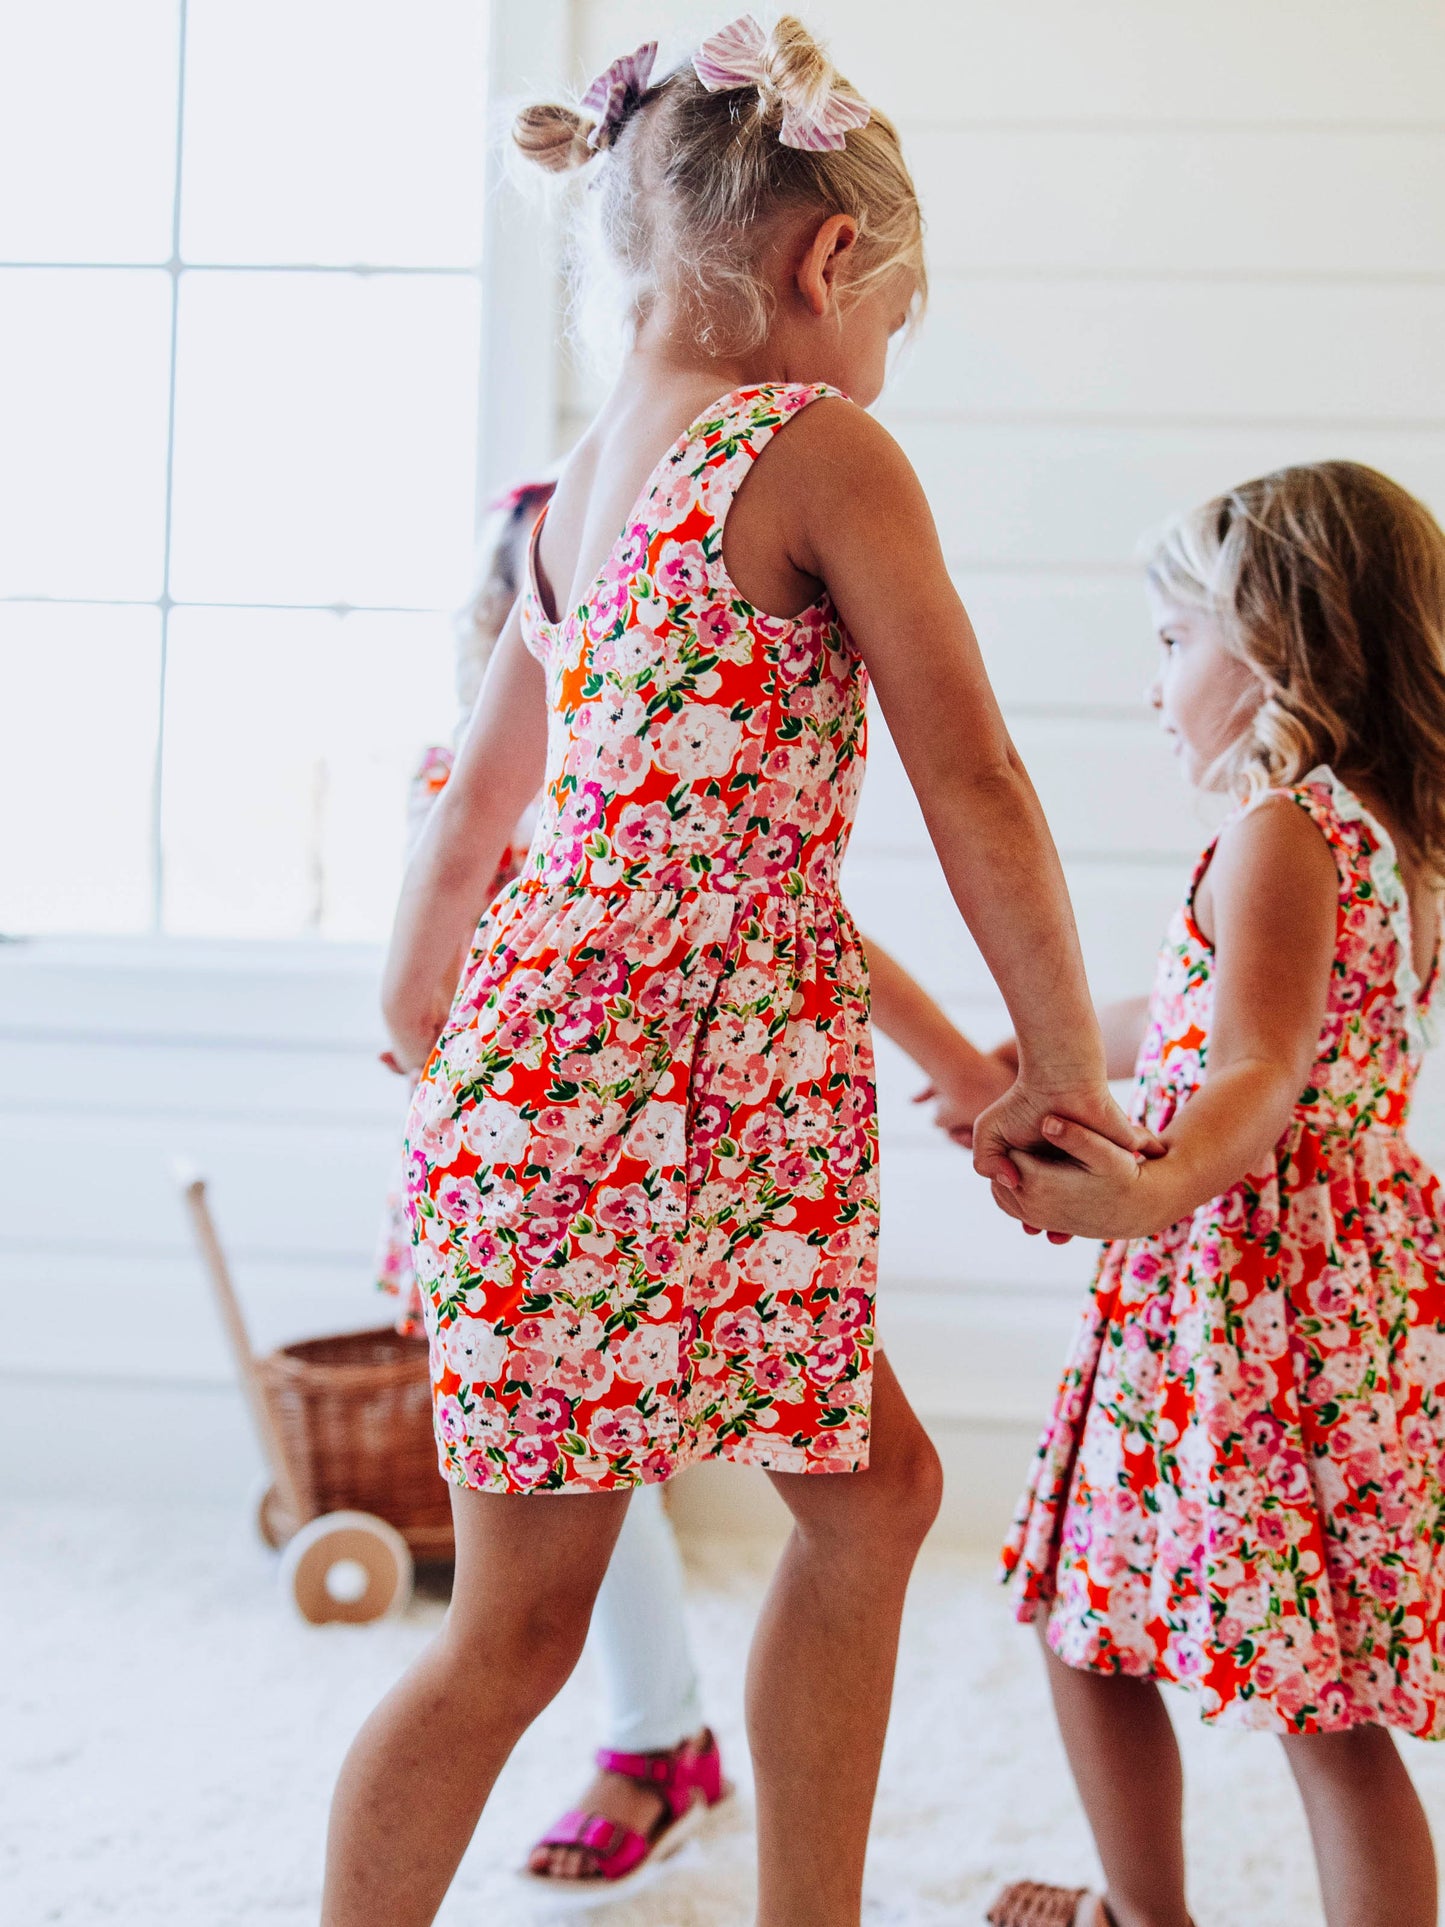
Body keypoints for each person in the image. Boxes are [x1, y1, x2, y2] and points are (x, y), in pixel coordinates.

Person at [323, 18, 1147, 1925]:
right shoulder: (814, 448)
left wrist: (428, 1023)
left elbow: (479, 838)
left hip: (590, 1105)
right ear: (825, 264)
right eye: (894, 319)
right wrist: (1060, 1071)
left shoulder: (562, 512)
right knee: (518, 1636)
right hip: (681, 1128)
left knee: (863, 1502)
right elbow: (980, 783)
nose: (885, 369)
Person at [374, 480, 1014, 1895]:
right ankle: (656, 1738)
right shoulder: (545, 778)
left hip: (689, 1166)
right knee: (520, 1618)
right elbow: (424, 990)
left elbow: (800, 913)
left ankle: (672, 1753)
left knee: (868, 1492)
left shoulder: (679, 760)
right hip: (577, 1168)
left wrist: (973, 1067)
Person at [986, 463, 1445, 1927]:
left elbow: (1251, 1067)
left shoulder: (1282, 832)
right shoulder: (1381, 834)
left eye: (1173, 642)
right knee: (1329, 1704)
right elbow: (1222, 1015)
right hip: (1342, 1294)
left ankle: (1144, 1916)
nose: (1153, 686)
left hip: (1236, 1290)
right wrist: (1046, 1048)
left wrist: (1151, 1185)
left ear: (1281, 645)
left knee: (1083, 1627)